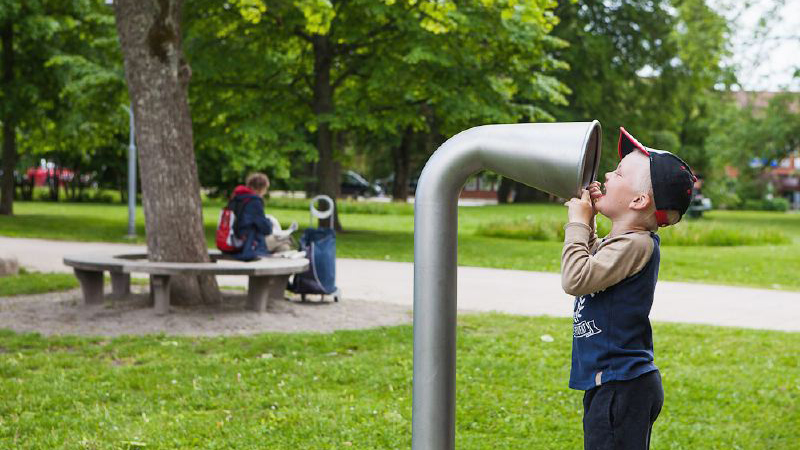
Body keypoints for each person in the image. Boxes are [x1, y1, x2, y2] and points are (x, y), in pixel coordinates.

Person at [561, 127, 696, 450]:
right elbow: (596, 265)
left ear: (638, 200)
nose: (607, 173)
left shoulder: (636, 244)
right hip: (615, 383)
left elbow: (576, 278)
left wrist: (577, 223)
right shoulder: (624, 243)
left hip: (621, 385)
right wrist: (590, 222)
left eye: (619, 173)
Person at [229, 172, 273, 261]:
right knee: (284, 244)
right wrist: (270, 222)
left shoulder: (237, 198)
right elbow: (266, 229)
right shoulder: (254, 202)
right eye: (265, 189)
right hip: (248, 244)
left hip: (233, 240)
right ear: (261, 188)